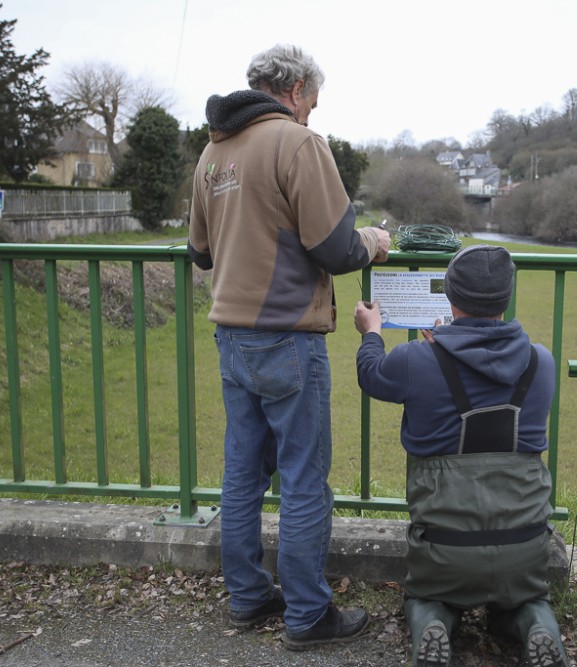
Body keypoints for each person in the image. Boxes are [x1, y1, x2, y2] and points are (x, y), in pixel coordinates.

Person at [187, 43, 391, 650]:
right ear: (297, 88)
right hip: (287, 338)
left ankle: (247, 598)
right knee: (304, 479)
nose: (311, 115)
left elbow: (200, 252)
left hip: (231, 336)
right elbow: (334, 247)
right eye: (313, 103)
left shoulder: (213, 151)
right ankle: (307, 615)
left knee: (242, 475)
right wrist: (374, 241)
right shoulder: (298, 143)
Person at [353, 245, 569, 667]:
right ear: (506, 298)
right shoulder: (540, 363)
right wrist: (445, 346)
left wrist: (372, 331)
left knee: (427, 594)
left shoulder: (418, 358)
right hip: (524, 546)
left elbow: (372, 374)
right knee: (525, 598)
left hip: (444, 548)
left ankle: (434, 621)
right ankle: (537, 625)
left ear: (449, 298)